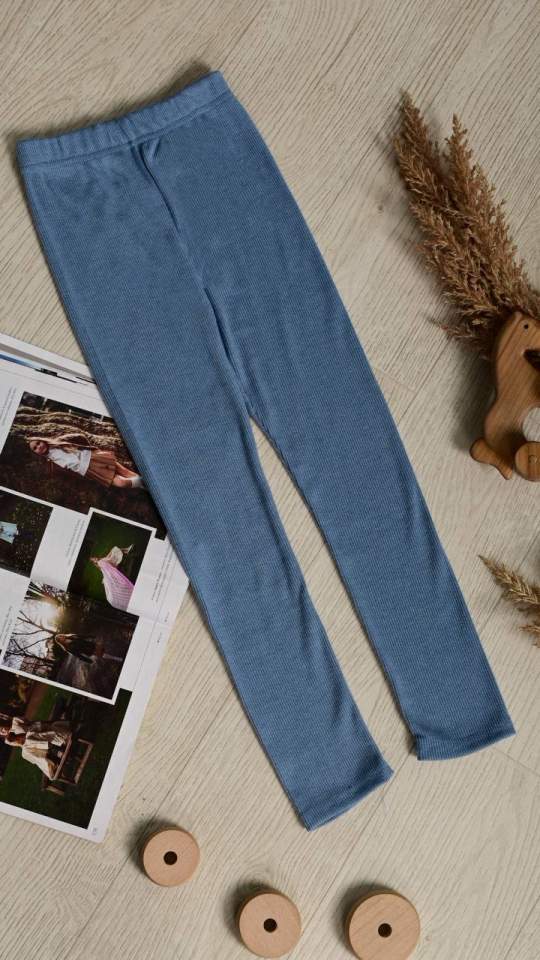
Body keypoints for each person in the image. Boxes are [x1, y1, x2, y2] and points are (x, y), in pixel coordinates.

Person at [27, 431, 145, 490]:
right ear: (35, 453)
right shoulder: (51, 464)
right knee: (121, 483)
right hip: (89, 471)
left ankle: (147, 485)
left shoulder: (59, 442)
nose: (39, 447)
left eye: (38, 443)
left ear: (42, 440)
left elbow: (80, 436)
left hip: (93, 458)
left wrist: (93, 451)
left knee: (126, 473)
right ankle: (145, 484)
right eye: (35, 448)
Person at [0, 716, 71, 779]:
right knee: (25, 753)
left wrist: (52, 722)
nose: (3, 731)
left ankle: (56, 751)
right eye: (1, 732)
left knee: (29, 740)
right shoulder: (8, 740)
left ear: (3, 722)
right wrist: (17, 739)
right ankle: (51, 764)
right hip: (34, 744)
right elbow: (21, 745)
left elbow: (33, 723)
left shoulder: (15, 721)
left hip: (38, 732)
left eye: (1, 728)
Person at [90, 544, 134, 610]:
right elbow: (104, 570)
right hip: (111, 570)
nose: (95, 558)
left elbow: (106, 561)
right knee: (114, 549)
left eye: (95, 558)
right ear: (94, 562)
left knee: (114, 549)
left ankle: (127, 550)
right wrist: (106, 576)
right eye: (94, 560)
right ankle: (127, 550)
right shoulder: (99, 563)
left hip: (111, 566)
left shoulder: (101, 561)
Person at [53, 632, 123, 664]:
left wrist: (90, 636)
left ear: (62, 635)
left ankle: (116, 655)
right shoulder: (67, 648)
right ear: (60, 642)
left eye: (60, 636)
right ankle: (116, 658)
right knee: (102, 654)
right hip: (87, 651)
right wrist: (87, 660)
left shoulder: (71, 636)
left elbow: (82, 636)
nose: (61, 638)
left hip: (90, 644)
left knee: (103, 649)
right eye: (59, 639)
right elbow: (77, 655)